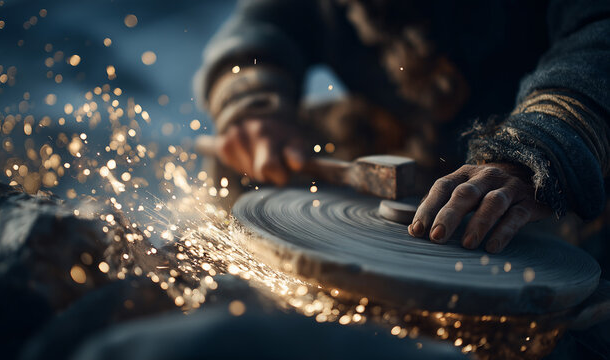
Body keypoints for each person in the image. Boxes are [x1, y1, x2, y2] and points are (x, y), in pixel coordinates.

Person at [194, 0, 609, 254]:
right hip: (407, 135)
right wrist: (255, 106)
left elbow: (599, 29)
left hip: (558, 157)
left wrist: (537, 151)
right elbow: (265, 23)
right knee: (237, 181)